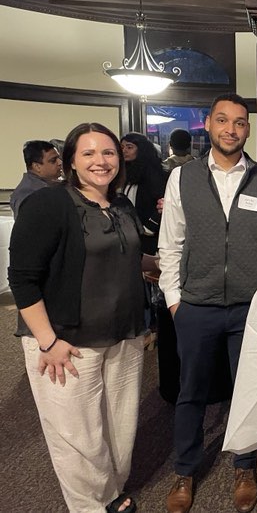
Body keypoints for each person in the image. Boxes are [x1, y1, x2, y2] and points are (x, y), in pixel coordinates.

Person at [159, 93, 257, 513]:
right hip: (196, 304)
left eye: (239, 122)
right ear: (209, 125)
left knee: (248, 391)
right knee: (191, 391)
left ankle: (245, 466)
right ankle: (185, 470)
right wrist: (175, 299)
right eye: (222, 121)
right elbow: (171, 243)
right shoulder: (182, 178)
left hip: (250, 307)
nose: (231, 129)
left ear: (247, 129)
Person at [8, 123, 146, 513]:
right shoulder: (49, 204)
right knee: (77, 433)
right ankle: (89, 505)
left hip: (123, 332)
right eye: (88, 153)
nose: (101, 161)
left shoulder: (121, 204)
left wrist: (167, 263)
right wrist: (48, 341)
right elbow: (21, 277)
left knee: (119, 424)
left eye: (108, 152)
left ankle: (111, 492)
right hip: (65, 340)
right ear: (70, 160)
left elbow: (127, 255)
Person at [120, 132, 167, 255]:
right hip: (133, 235)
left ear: (141, 150)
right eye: (122, 147)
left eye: (129, 147)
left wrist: (149, 227)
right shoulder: (128, 172)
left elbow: (164, 203)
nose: (124, 150)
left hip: (149, 238)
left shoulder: (153, 173)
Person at [9, 139, 62, 217]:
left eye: (59, 158)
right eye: (53, 160)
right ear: (37, 167)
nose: (60, 162)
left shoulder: (53, 185)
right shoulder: (28, 195)